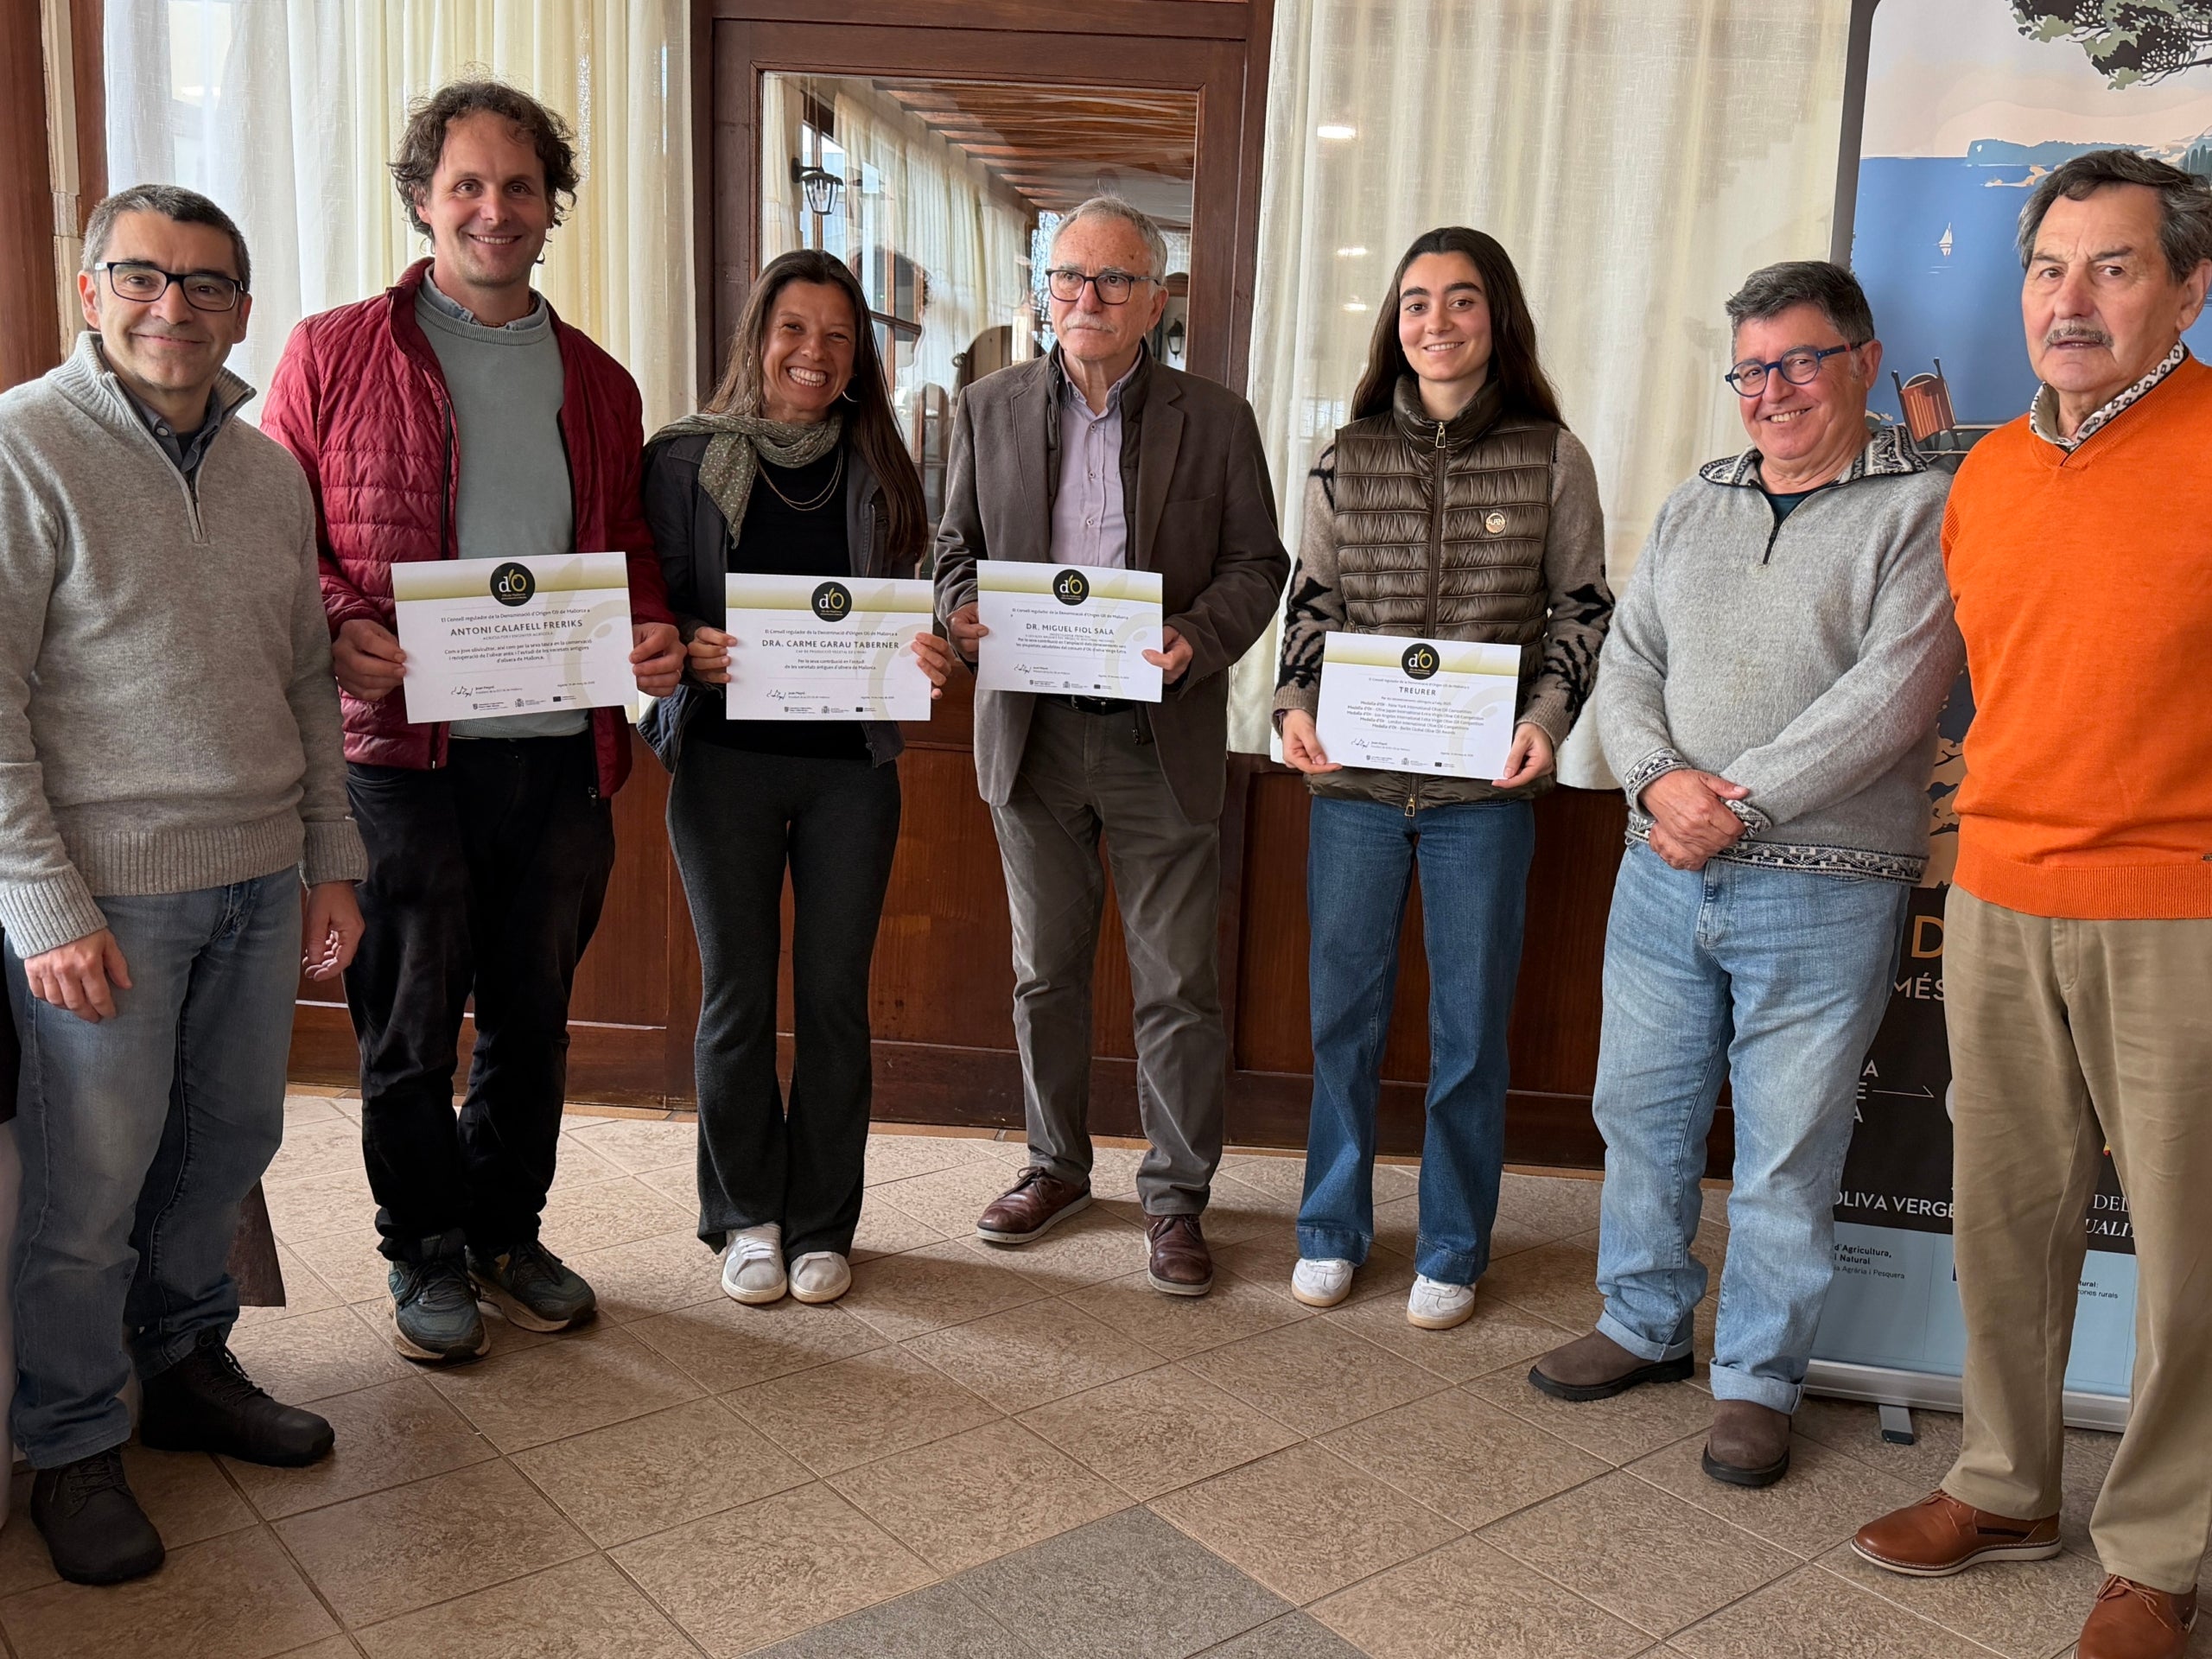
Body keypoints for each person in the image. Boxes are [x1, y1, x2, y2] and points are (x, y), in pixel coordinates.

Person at [1853, 149, 2212, 1659]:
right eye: (2050, 269)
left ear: (2188, 289)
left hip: (2179, 907)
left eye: (2115, 267)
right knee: (2002, 1224)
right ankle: (2004, 1482)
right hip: (2000, 892)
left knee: (2193, 1250)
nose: (2072, 302)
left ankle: (2160, 1548)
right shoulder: (1988, 474)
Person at [263, 80, 683, 1364]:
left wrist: (652, 631)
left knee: (533, 1015)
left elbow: (621, 551)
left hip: (561, 756)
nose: (493, 209)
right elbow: (278, 544)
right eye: (467, 186)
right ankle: (423, 1250)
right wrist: (340, 621)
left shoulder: (603, 381)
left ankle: (508, 1231)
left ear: (554, 207)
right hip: (400, 761)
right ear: (422, 200)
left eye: (518, 186)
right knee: (406, 1019)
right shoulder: (331, 353)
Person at [1529, 261, 1961, 1488]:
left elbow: (1893, 697)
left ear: (1865, 363)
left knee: (1786, 1148)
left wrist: (1741, 804)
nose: (1772, 392)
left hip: (1825, 883)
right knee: (1642, 1115)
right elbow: (1629, 659)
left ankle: (1760, 1378)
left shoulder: (1921, 508)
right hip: (1663, 865)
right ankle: (1644, 1323)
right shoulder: (1694, 504)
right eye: (1751, 369)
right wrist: (1661, 780)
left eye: (1801, 362)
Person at [0, 185, 365, 1585]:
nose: (176, 307)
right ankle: (77, 1438)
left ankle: (187, 1364)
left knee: (228, 1154)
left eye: (208, 284)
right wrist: (45, 907)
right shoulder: (26, 448)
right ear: (92, 290)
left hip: (259, 882)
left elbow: (303, 681)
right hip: (108, 902)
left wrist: (333, 858)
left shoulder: (271, 470)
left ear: (242, 310)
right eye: (144, 278)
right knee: (87, 1196)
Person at [936, 196, 1288, 1297]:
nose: (1085, 299)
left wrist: (1195, 635)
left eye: (1112, 281)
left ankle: (1177, 1199)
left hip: (1155, 737)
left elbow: (1256, 565)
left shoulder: (1216, 419)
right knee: (1044, 974)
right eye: (1067, 278)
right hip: (1032, 739)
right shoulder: (987, 408)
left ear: (1157, 300)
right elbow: (953, 550)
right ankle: (1055, 1167)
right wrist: (957, 611)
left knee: (1176, 982)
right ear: (1044, 288)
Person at [1272, 226, 1611, 1329]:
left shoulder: (1552, 455)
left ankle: (1455, 1244)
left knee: (1470, 1028)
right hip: (1356, 793)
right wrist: (1291, 707)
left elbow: (1583, 609)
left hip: (1484, 797)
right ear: (1395, 325)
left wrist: (1549, 721)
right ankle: (1331, 1227)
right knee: (1343, 1022)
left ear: (1495, 317)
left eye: (1460, 302)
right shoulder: (1345, 452)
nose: (1436, 323)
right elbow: (1311, 605)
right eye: (1416, 303)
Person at [641, 251, 954, 1308]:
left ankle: (824, 1220)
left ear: (857, 355)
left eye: (834, 335)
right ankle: (746, 1216)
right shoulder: (683, 459)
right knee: (735, 997)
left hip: (848, 775)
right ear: (756, 338)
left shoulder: (880, 464)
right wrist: (689, 640)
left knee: (830, 1002)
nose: (811, 354)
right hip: (724, 762)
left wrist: (925, 651)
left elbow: (903, 602)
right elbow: (651, 603)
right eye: (792, 329)